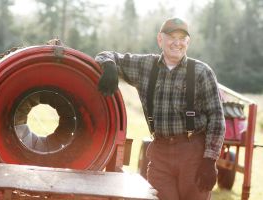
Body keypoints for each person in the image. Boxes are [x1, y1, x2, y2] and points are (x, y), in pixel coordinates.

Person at [95, 17, 225, 200]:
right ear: (160, 39)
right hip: (160, 153)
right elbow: (105, 55)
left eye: (182, 38)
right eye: (171, 37)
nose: (176, 43)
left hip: (193, 153)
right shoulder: (145, 66)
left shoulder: (202, 72)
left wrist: (210, 160)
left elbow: (217, 119)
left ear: (187, 42)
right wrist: (109, 66)